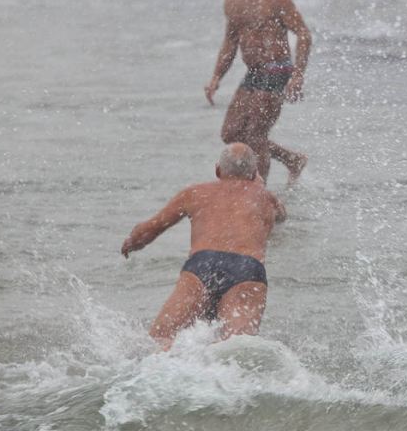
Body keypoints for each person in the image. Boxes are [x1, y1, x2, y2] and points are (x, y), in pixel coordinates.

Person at [121, 143, 287, 349]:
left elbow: (148, 230)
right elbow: (281, 217)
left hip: (202, 266)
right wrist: (259, 187)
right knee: (239, 348)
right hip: (247, 270)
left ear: (218, 170)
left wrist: (132, 242)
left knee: (159, 340)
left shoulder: (195, 193)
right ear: (254, 173)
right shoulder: (266, 198)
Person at [205, 0, 312, 183]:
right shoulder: (232, 3)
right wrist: (216, 77)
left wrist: (297, 76)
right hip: (253, 73)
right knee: (230, 133)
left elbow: (303, 34)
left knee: (256, 134)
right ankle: (291, 159)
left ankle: (260, 194)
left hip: (277, 70)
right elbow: (230, 42)